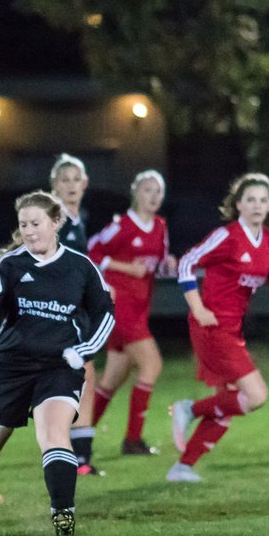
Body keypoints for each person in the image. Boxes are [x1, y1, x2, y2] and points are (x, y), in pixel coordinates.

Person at [0, 190, 114, 536]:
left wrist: (84, 351)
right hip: (9, 369)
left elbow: (104, 312)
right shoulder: (11, 265)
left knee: (53, 434)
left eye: (36, 223)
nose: (30, 231)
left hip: (58, 367)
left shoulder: (80, 267)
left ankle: (63, 516)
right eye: (23, 225)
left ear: (55, 222)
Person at [0, 153, 106, 475]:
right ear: (54, 186)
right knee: (83, 372)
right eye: (65, 180)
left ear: (85, 184)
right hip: (49, 323)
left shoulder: (77, 222)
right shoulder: (53, 226)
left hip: (70, 314)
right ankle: (82, 458)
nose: (71, 186)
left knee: (86, 373)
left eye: (76, 180)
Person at [166, 172, 269, 482]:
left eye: (263, 200)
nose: (257, 205)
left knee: (225, 406)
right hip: (211, 326)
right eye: (250, 199)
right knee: (256, 396)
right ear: (238, 204)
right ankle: (189, 408)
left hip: (233, 328)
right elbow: (187, 262)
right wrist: (197, 307)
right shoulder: (227, 236)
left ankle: (182, 467)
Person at [87, 170, 177, 455]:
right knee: (153, 365)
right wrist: (125, 268)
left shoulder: (161, 226)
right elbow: (92, 252)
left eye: (158, 192)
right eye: (148, 190)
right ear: (136, 192)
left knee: (112, 379)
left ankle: (79, 439)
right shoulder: (122, 225)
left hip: (139, 309)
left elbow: (157, 265)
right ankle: (132, 439)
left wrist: (168, 266)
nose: (154, 197)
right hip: (119, 308)